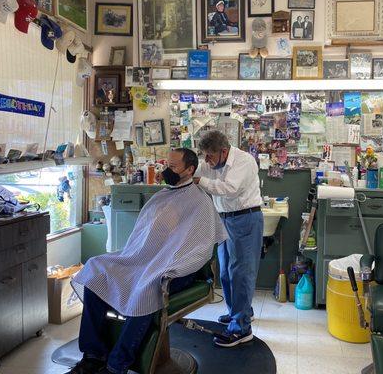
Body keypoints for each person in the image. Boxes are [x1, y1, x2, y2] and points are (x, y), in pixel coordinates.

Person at [66, 148, 226, 374]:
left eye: (173, 167)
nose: (165, 171)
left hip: (178, 269)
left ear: (190, 170)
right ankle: (94, 354)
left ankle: (116, 365)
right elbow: (142, 240)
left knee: (147, 286)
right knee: (95, 270)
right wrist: (136, 257)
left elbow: (200, 249)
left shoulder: (200, 202)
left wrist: (170, 267)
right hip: (146, 259)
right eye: (165, 165)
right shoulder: (162, 196)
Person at [193, 130, 263, 347]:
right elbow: (197, 170)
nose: (206, 160)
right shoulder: (211, 163)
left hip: (245, 219)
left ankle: (241, 328)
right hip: (223, 220)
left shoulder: (244, 161)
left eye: (210, 156)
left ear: (223, 151)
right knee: (225, 272)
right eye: (204, 155)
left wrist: (199, 181)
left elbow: (229, 189)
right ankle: (238, 312)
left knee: (241, 273)